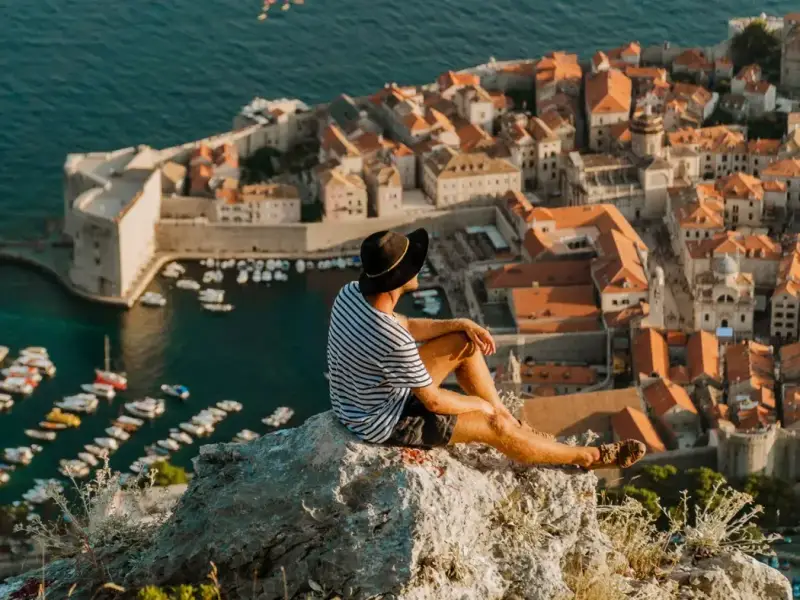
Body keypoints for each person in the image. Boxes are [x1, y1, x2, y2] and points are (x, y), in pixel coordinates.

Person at [326, 228, 646, 469]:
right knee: (494, 426)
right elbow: (432, 401)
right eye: (413, 265)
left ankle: (510, 419)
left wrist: (460, 323)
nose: (419, 269)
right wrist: (482, 407)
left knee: (466, 341)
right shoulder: (391, 339)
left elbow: (407, 324)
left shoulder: (351, 293)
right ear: (399, 279)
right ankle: (589, 457)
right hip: (384, 421)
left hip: (359, 399)